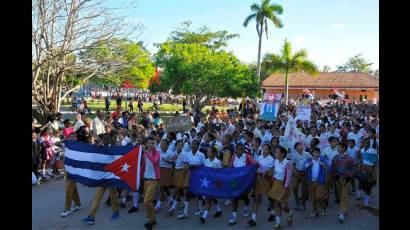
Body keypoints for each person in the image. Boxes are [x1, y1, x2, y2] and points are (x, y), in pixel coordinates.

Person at [228, 143, 256, 225]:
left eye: (242, 148)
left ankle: (247, 207)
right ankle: (234, 217)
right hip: (235, 180)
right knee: (235, 197)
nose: (240, 150)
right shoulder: (233, 156)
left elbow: (254, 164)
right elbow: (230, 167)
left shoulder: (247, 156)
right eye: (239, 148)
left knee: (244, 196)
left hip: (245, 181)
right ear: (236, 149)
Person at [248, 144, 275, 226]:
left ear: (269, 151)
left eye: (266, 149)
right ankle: (253, 218)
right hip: (259, 179)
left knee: (270, 198)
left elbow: (270, 171)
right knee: (257, 198)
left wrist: (263, 173)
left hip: (267, 180)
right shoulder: (259, 157)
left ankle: (273, 213)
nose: (264, 150)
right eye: (263, 149)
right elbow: (255, 167)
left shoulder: (271, 159)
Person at [178, 140, 206, 219]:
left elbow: (204, 166)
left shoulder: (201, 155)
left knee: (198, 192)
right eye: (192, 144)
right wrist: (187, 166)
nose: (193, 146)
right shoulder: (188, 154)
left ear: (198, 146)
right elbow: (186, 163)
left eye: (195, 144)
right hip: (189, 174)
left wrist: (196, 167)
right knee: (187, 192)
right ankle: (185, 212)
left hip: (198, 175)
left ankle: (200, 209)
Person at [268, 146, 293, 229]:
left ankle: (289, 213)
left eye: (277, 152)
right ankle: (278, 223)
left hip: (284, 185)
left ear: (282, 154)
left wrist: (285, 187)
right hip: (276, 183)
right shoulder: (275, 161)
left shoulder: (287, 163)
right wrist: (273, 177)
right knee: (276, 203)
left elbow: (289, 176)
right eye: (275, 152)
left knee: (283, 206)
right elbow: (275, 171)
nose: (276, 153)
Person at [140, 137, 161, 229]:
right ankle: (153, 219)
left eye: (153, 143)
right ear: (147, 144)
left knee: (146, 200)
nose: (152, 145)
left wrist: (145, 152)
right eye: (150, 143)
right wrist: (140, 177)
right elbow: (143, 167)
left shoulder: (157, 152)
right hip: (145, 179)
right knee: (149, 201)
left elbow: (155, 161)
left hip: (153, 179)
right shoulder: (144, 154)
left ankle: (150, 220)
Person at [331, 142, 355, 223]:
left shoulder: (350, 159)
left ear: (343, 148)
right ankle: (344, 209)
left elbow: (353, 169)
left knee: (344, 195)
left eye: (339, 147)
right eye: (337, 147)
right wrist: (336, 176)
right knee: (340, 195)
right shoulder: (335, 157)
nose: (337, 149)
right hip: (338, 179)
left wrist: (348, 178)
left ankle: (342, 213)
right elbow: (333, 167)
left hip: (346, 180)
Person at [199, 146, 223, 223]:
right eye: (208, 151)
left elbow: (220, 173)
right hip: (206, 182)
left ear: (214, 153)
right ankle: (219, 210)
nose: (208, 153)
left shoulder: (217, 162)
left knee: (208, 199)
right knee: (212, 197)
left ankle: (204, 216)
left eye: (209, 151)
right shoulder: (206, 161)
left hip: (213, 183)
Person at [167, 140, 188, 216]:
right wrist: (169, 160)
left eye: (181, 145)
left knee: (177, 189)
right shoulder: (174, 153)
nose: (180, 146)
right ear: (176, 146)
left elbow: (185, 166)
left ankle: (172, 208)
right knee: (178, 191)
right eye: (178, 145)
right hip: (176, 172)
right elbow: (171, 161)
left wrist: (185, 170)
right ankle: (175, 208)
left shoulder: (184, 154)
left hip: (182, 172)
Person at [305, 147, 327, 218]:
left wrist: (323, 164)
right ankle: (315, 212)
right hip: (311, 181)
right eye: (314, 153)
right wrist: (309, 164)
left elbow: (329, 168)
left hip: (320, 181)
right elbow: (304, 167)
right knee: (313, 198)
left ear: (319, 153)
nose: (316, 154)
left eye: (317, 153)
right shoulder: (310, 160)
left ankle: (323, 206)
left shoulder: (323, 160)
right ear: (312, 154)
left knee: (318, 197)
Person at [155, 139, 175, 213]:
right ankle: (171, 199)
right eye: (161, 144)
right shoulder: (158, 151)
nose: (161, 145)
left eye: (163, 144)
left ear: (167, 145)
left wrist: (167, 160)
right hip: (159, 169)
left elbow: (173, 163)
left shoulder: (171, 153)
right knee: (164, 186)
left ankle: (158, 205)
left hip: (167, 170)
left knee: (162, 187)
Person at [356, 138, 378, 206]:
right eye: (364, 143)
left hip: (370, 168)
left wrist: (371, 170)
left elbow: (375, 161)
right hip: (363, 167)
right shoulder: (362, 150)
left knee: (369, 184)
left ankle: (366, 200)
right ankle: (359, 194)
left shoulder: (373, 151)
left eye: (367, 143)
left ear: (369, 143)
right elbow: (361, 159)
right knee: (361, 181)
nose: (365, 144)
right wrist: (360, 166)